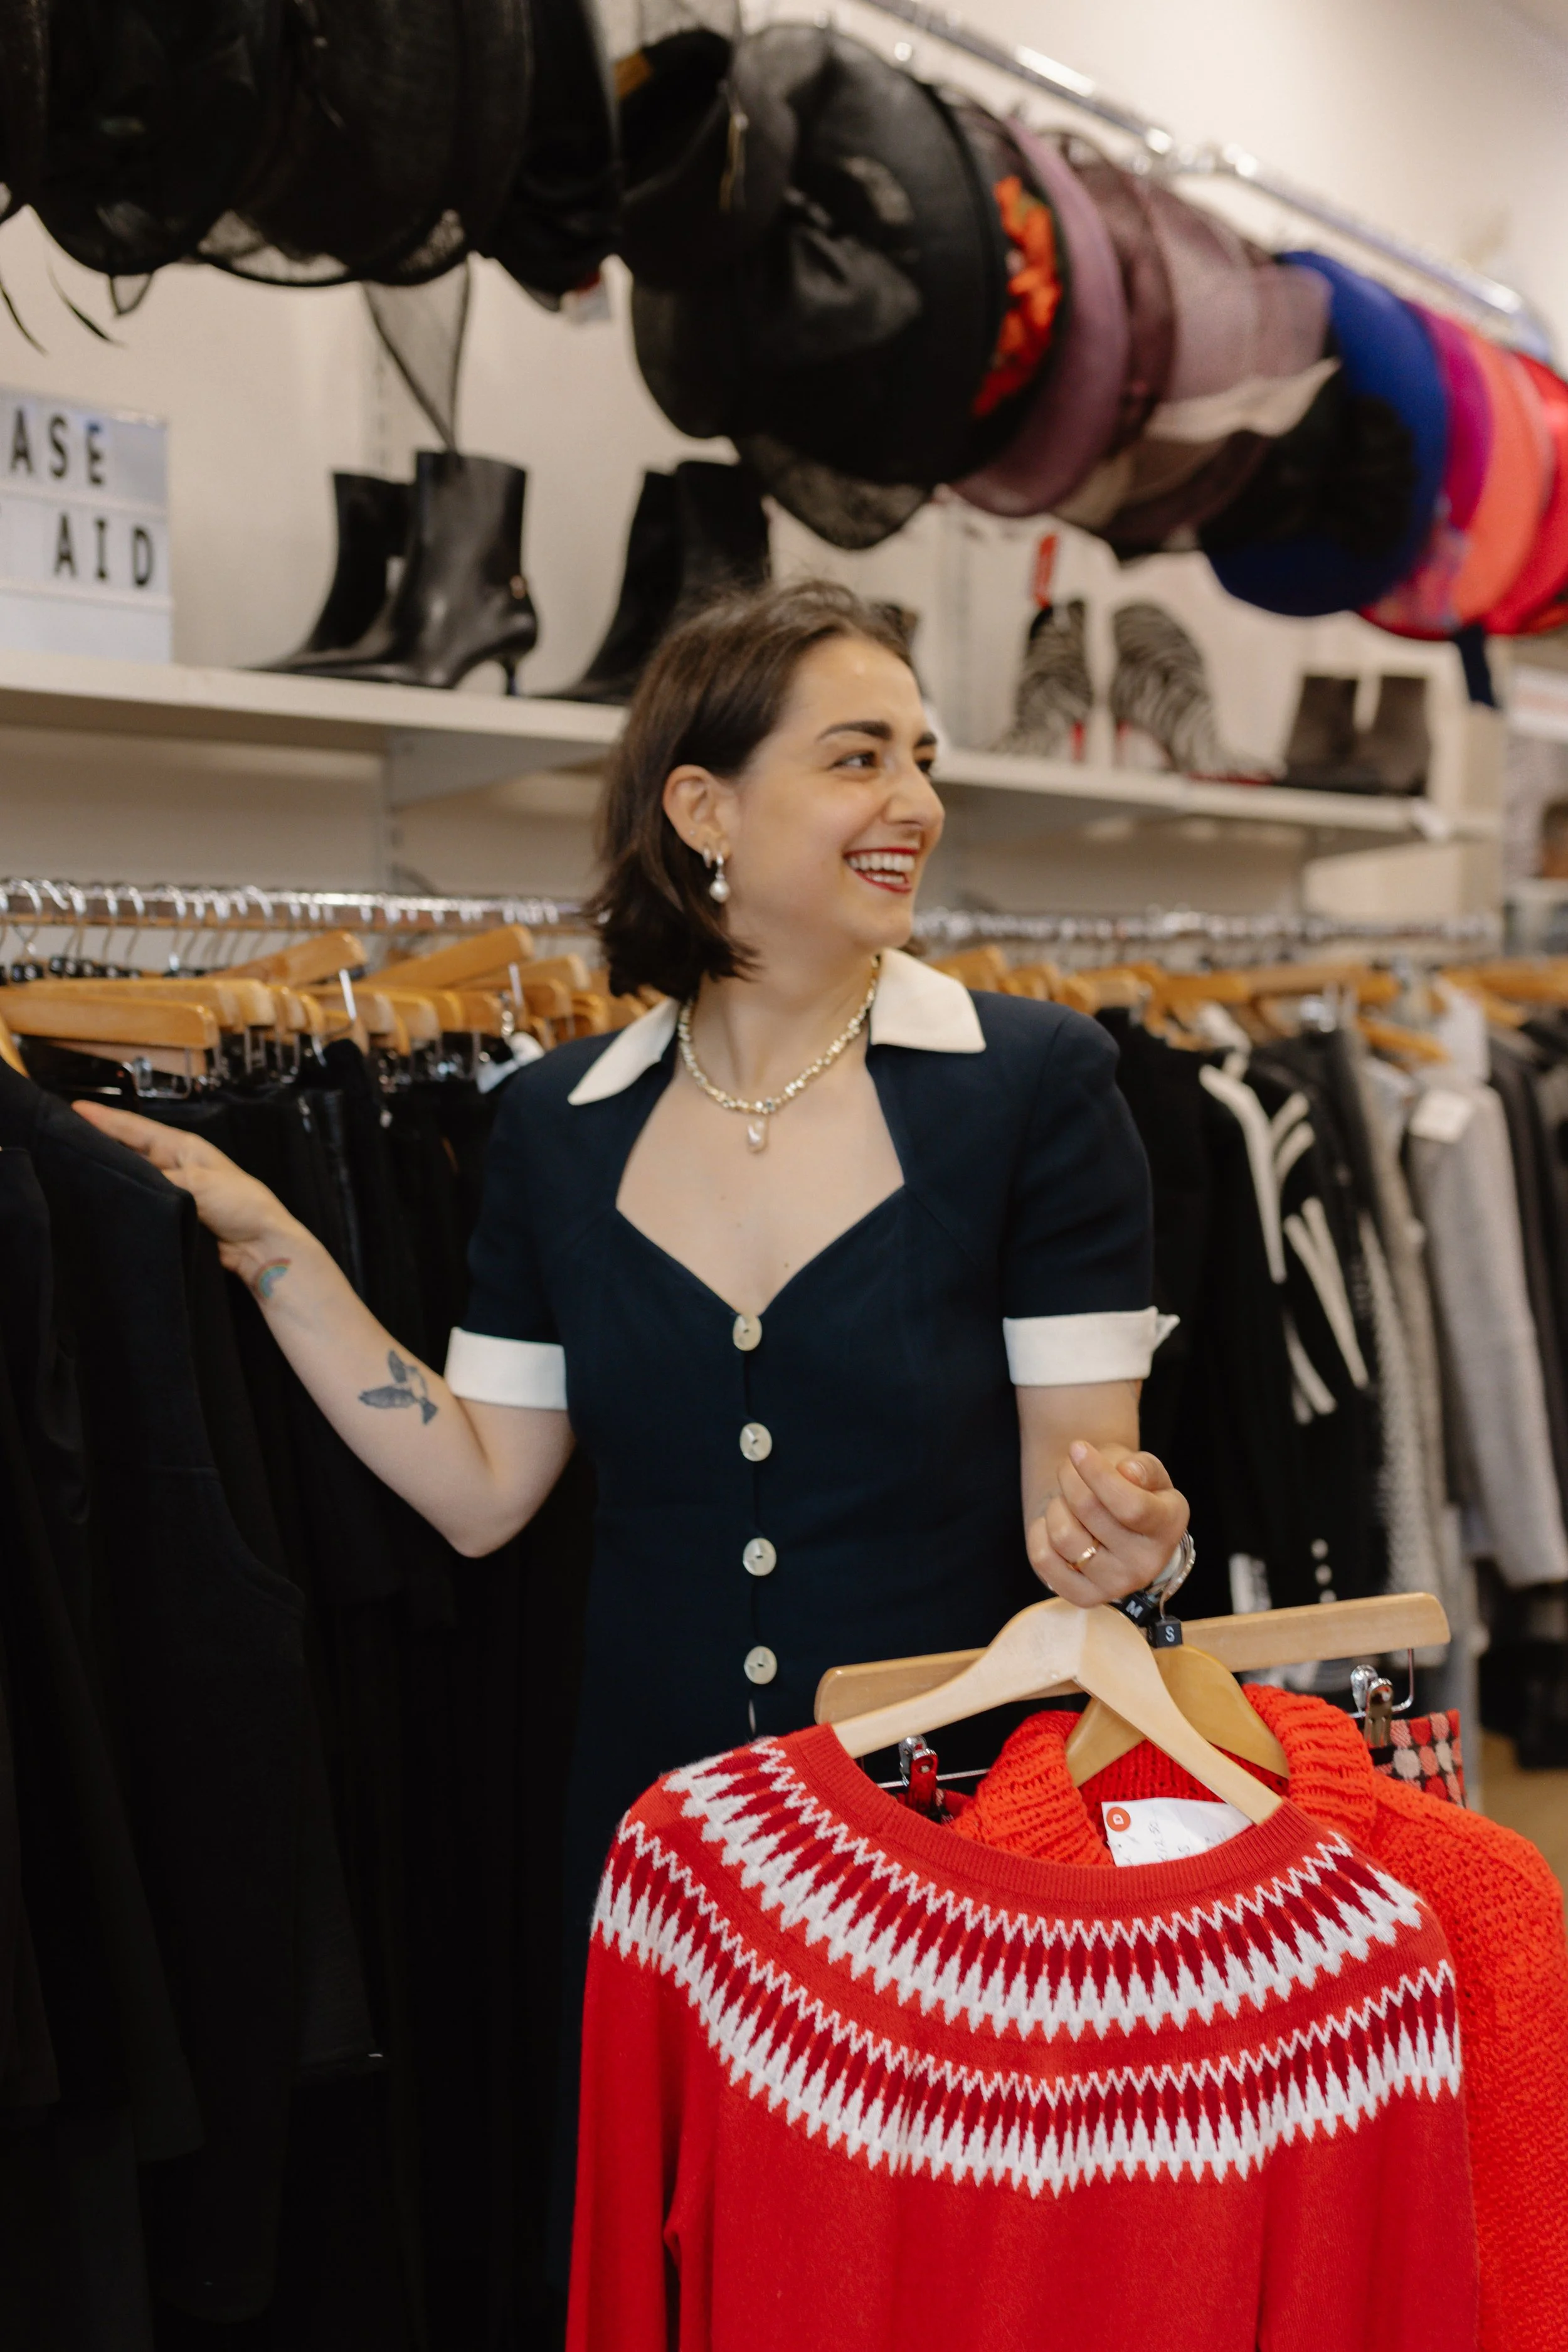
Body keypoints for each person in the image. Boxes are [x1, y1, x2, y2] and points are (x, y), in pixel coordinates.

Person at [76, 578, 1191, 2272]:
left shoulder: (1032, 1084)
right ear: (704, 806)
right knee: (674, 2262)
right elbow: (478, 1489)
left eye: (923, 756)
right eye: (858, 756)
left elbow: (1081, 1499)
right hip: (651, 1838)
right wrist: (276, 1245)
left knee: (923, 2270)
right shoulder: (548, 1126)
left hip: (950, 1828)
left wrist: (1134, 1529)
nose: (916, 802)